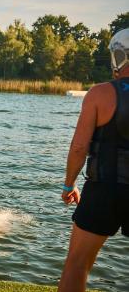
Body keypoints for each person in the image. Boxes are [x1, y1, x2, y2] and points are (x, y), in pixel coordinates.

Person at [58, 28, 129, 292]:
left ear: (119, 56)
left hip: (104, 189)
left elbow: (79, 147)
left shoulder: (100, 93)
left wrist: (68, 185)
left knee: (77, 263)